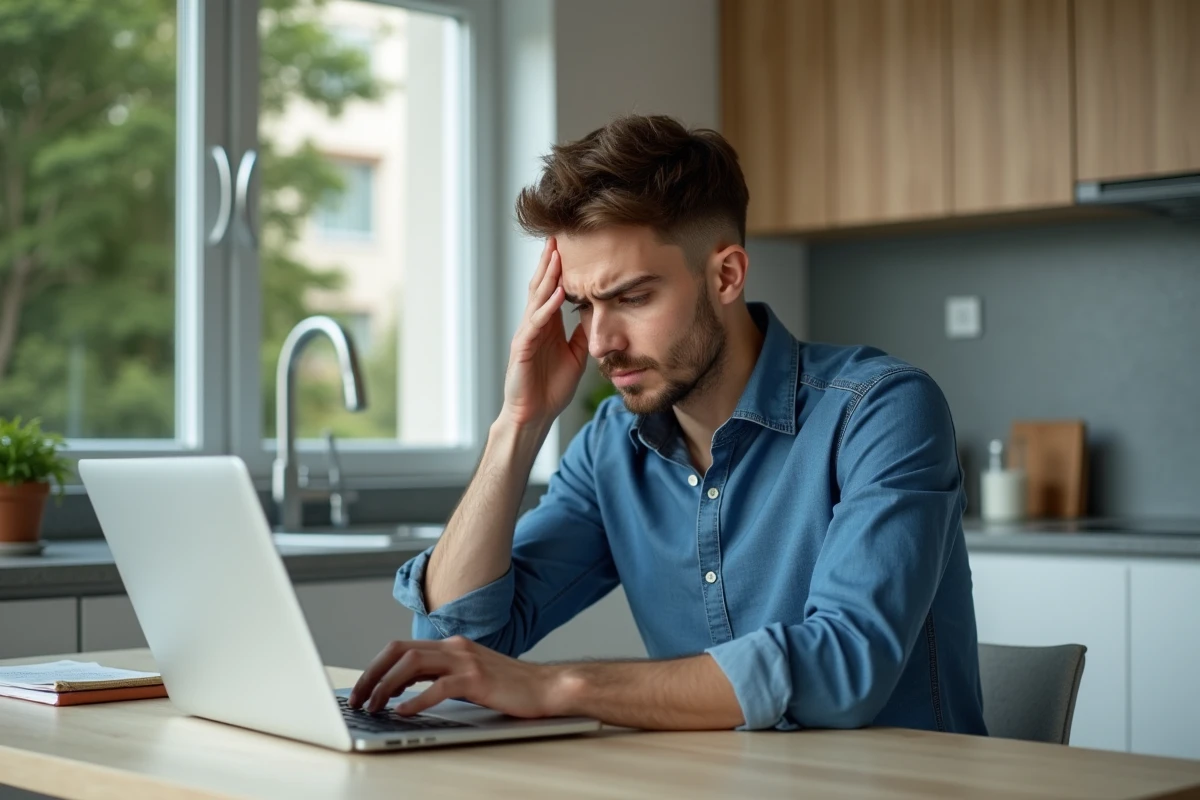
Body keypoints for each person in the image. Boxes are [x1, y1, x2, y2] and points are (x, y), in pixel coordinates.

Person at [348, 114, 988, 735]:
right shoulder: (609, 449)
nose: (601, 342)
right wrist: (518, 423)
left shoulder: (879, 410)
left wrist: (559, 686)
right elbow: (458, 640)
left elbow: (846, 665)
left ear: (726, 275)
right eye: (581, 306)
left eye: (631, 297)